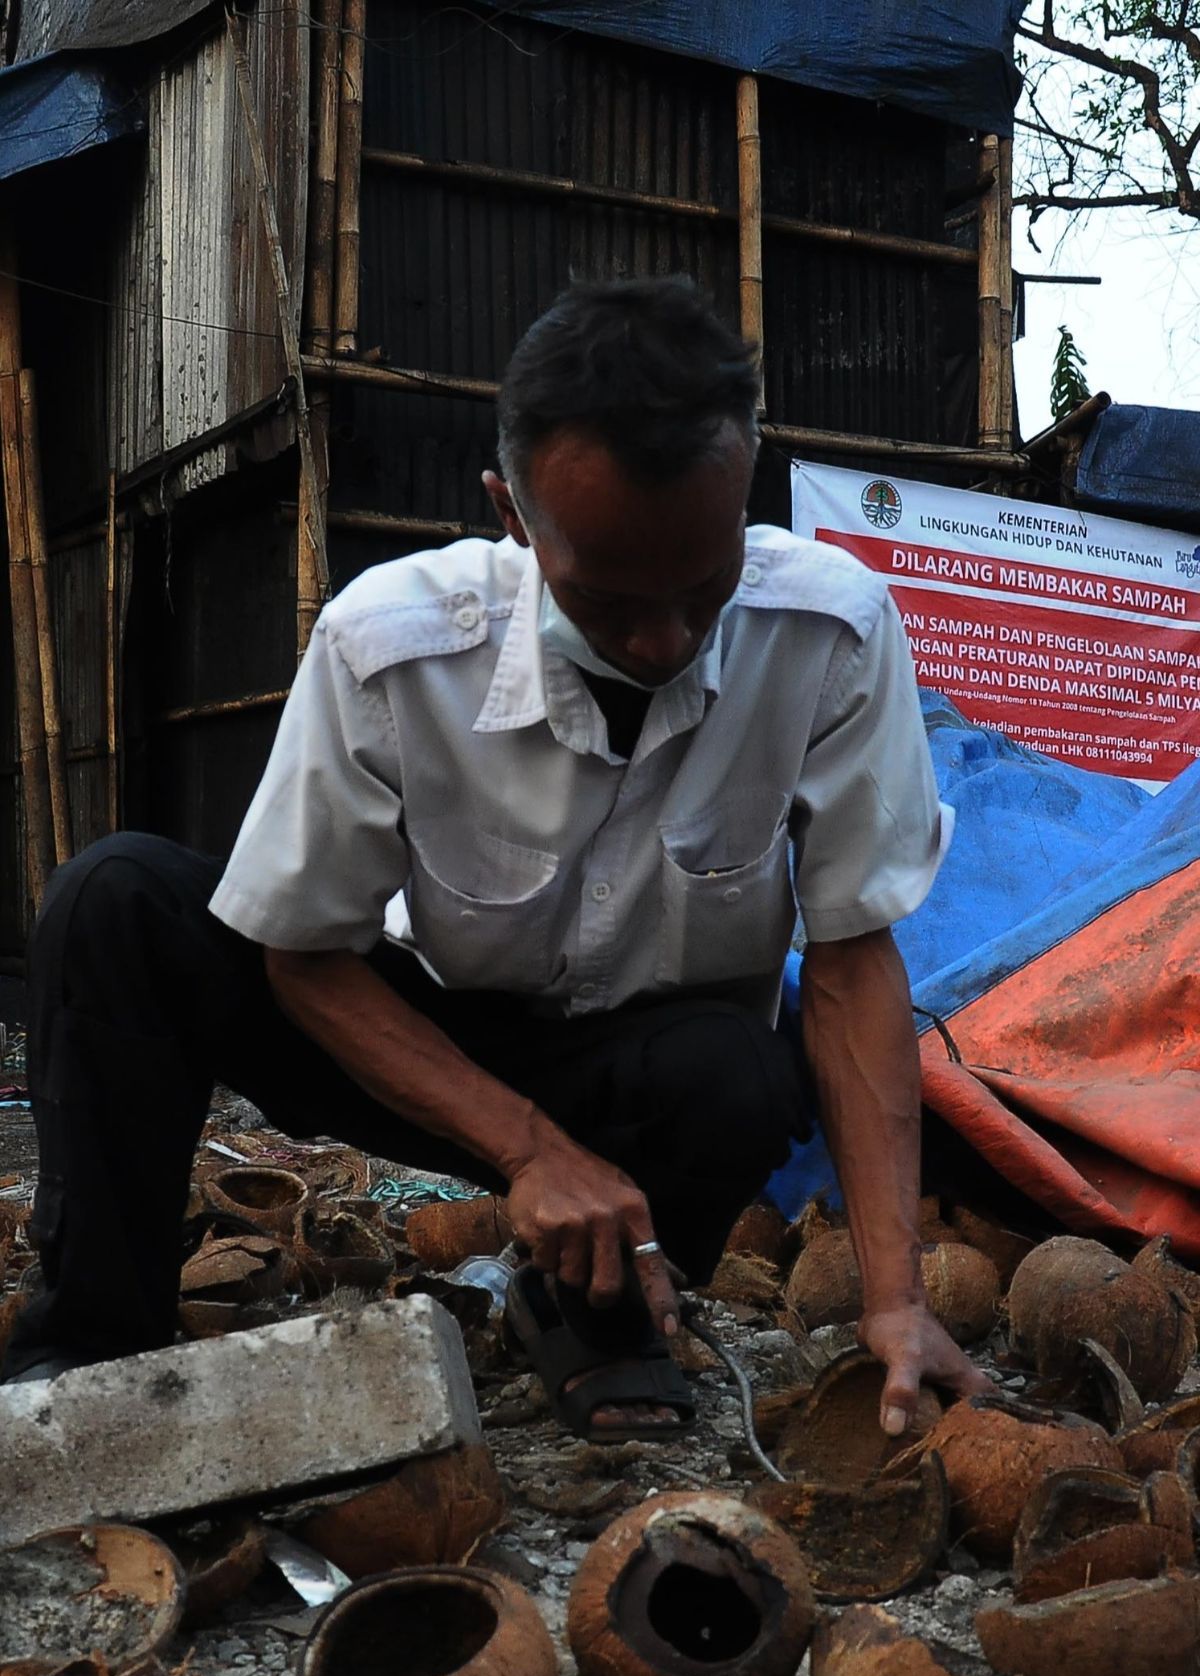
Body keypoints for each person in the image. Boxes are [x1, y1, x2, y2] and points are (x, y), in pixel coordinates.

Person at [4, 276, 987, 1439]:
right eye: (616, 601)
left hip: (645, 1075)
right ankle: (92, 1346)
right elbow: (304, 957)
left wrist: (898, 1298)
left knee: (736, 1072)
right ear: (512, 515)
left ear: (745, 496)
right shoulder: (392, 645)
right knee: (114, 901)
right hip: (413, 1040)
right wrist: (527, 1150)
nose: (666, 641)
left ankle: (596, 1311)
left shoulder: (834, 633)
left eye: (703, 586)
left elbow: (851, 960)